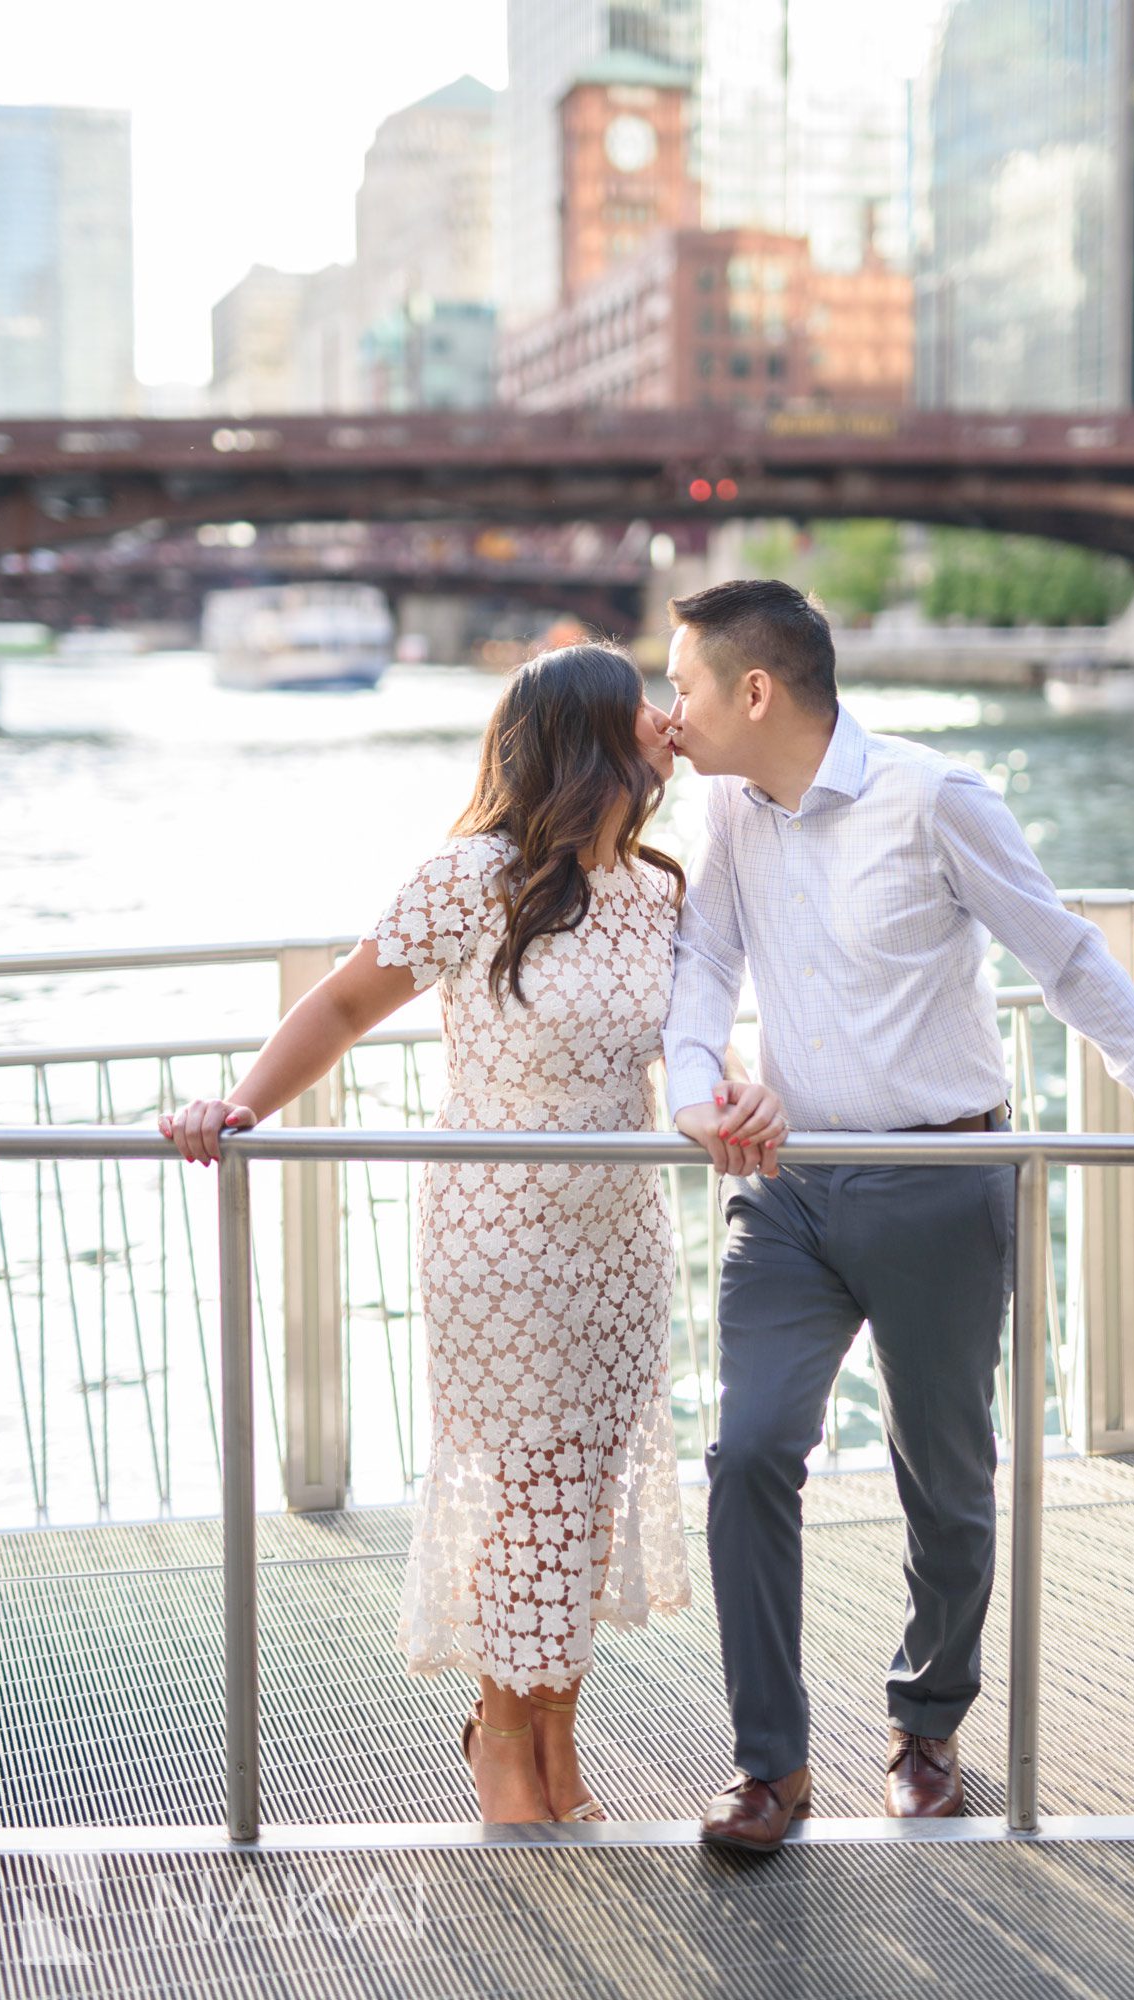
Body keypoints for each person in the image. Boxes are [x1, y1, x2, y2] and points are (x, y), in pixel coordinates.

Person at [660, 577, 1134, 1853]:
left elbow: (1062, 954)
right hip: (787, 1184)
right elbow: (702, 966)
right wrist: (696, 1093)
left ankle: (925, 1722)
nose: (667, 708)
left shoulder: (935, 796)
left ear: (756, 690)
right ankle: (770, 1765)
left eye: (682, 684)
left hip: (943, 1183)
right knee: (747, 1452)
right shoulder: (726, 806)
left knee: (948, 1481)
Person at [159, 642, 785, 1825]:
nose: (664, 718)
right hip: (499, 1241)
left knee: (584, 1491)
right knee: (520, 1489)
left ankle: (554, 1733)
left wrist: (737, 1096)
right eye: (640, 704)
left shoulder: (660, 889)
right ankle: (505, 1737)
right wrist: (241, 1105)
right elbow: (343, 1000)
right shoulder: (471, 878)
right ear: (585, 736)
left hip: (618, 1246)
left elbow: (697, 1048)